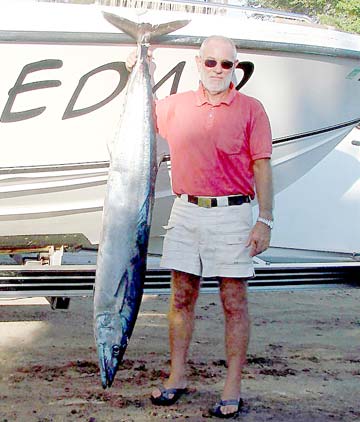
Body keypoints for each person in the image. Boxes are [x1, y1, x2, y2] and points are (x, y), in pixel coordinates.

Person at [126, 35, 273, 419]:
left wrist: (265, 220)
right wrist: (139, 71)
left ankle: (232, 386)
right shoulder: (173, 106)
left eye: (227, 65)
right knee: (180, 297)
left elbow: (262, 165)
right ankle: (177, 376)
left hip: (233, 213)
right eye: (211, 63)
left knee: (233, 302)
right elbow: (134, 118)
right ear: (198, 62)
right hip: (186, 210)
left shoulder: (251, 109)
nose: (218, 71)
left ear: (235, 69)